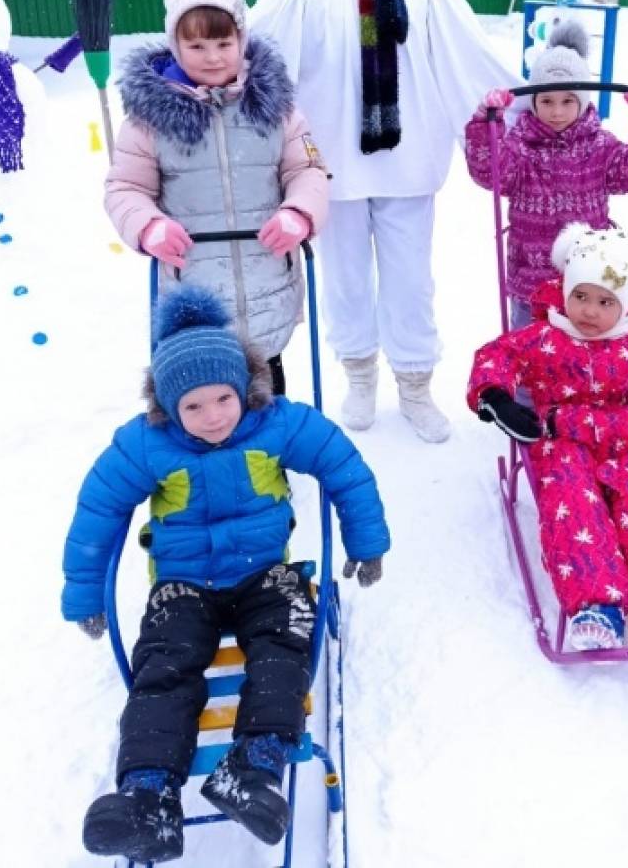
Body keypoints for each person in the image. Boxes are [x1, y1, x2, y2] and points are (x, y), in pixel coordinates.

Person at [62, 287, 390, 863]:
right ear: (168, 407)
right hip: (184, 585)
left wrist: (367, 541)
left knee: (283, 645)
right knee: (164, 667)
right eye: (192, 406)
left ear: (245, 389)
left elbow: (345, 469)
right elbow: (98, 511)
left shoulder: (279, 425)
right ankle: (148, 797)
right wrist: (85, 593)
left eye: (222, 399)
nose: (212, 417)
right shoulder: (145, 444)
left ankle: (253, 767)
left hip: (266, 574)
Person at [246, 0, 517, 443]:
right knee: (343, 278)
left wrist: (526, 96)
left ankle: (417, 384)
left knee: (410, 279)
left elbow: (461, 41)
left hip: (407, 153)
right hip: (326, 158)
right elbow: (263, 47)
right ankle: (360, 374)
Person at [467, 224, 628, 660]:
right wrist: (497, 396)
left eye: (605, 301)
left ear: (626, 303)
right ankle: (596, 606)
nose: (589, 311)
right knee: (573, 508)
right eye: (581, 296)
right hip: (564, 443)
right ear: (566, 290)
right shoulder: (544, 336)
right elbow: (495, 357)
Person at [105, 0, 329, 394]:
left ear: (241, 41)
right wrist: (148, 225)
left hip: (267, 276)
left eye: (224, 44)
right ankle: (210, 460)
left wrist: (298, 211)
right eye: (197, 47)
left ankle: (269, 459)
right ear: (176, 47)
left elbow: (307, 170)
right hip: (193, 286)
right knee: (208, 397)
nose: (212, 58)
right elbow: (125, 188)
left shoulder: (275, 107)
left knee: (265, 394)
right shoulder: (149, 119)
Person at [465, 19, 628, 330]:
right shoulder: (520, 147)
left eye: (567, 101)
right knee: (530, 360)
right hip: (530, 285)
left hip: (589, 284)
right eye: (547, 101)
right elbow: (490, 171)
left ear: (583, 101)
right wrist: (486, 127)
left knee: (585, 363)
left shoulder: (599, 146)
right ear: (533, 102)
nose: (557, 111)